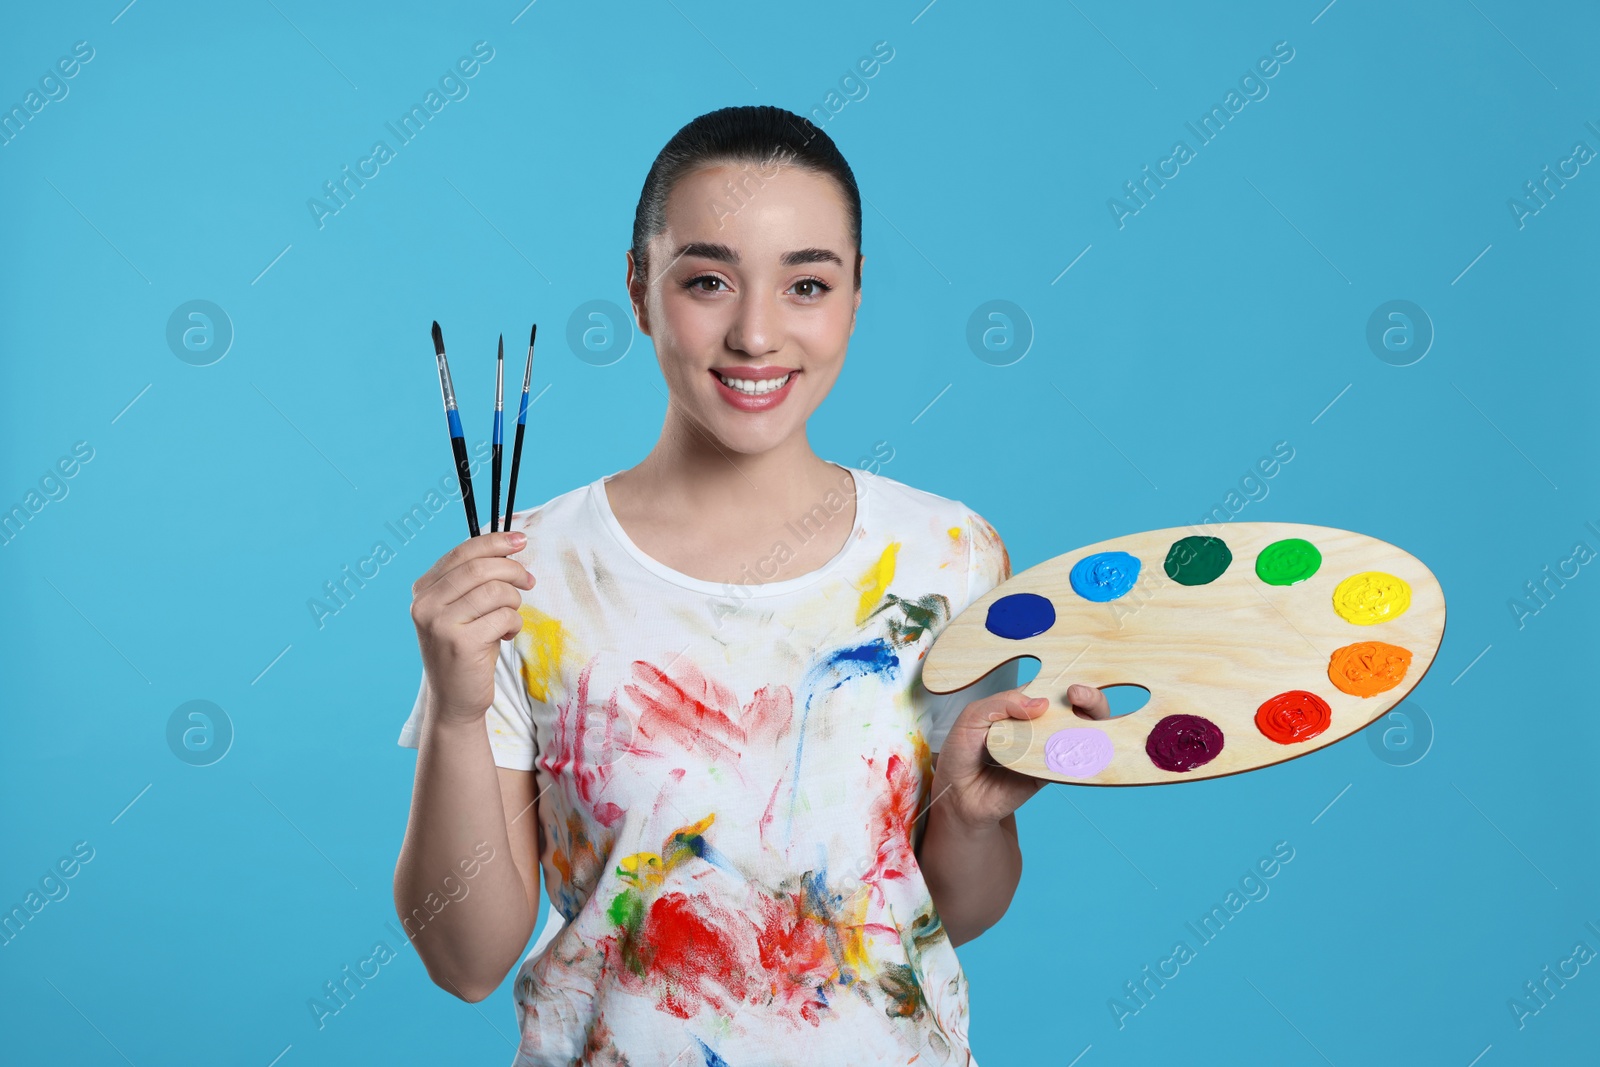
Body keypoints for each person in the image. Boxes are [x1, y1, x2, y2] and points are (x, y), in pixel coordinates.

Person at [394, 104, 1110, 1065]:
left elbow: (952, 915)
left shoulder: (951, 557)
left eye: (807, 283)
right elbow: (465, 960)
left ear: (855, 297)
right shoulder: (528, 575)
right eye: (707, 281)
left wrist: (977, 819)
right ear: (639, 291)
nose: (757, 333)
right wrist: (452, 709)